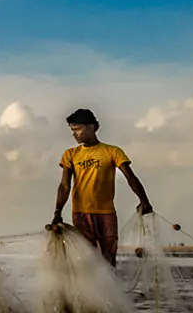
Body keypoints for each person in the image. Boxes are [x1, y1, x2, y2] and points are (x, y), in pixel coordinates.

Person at [52, 108, 153, 267]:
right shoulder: (70, 154)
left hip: (106, 214)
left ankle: (109, 290)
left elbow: (130, 177)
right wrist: (57, 211)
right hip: (81, 213)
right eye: (72, 130)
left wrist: (144, 200)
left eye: (78, 129)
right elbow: (64, 185)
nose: (74, 134)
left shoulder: (112, 152)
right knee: (87, 257)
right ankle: (89, 291)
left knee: (108, 257)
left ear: (92, 127)